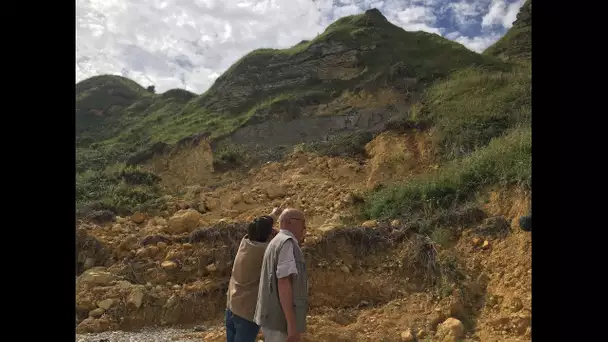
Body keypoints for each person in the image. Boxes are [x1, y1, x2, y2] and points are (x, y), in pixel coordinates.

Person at [225, 208, 283, 342]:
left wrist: (274, 214)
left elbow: (259, 226)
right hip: (246, 313)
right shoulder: (266, 251)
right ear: (269, 236)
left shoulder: (245, 242)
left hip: (232, 306)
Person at [254, 208, 308, 342]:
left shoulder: (275, 241)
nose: (304, 228)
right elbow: (284, 282)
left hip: (270, 318)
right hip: (279, 322)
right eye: (302, 222)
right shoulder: (286, 243)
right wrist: (291, 324)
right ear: (289, 222)